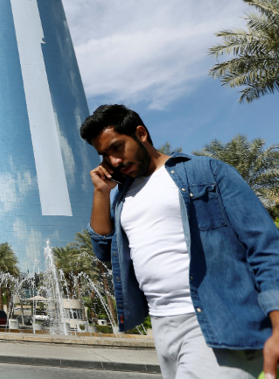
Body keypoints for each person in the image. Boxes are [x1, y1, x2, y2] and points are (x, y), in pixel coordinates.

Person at [79, 104, 279, 379]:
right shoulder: (123, 198)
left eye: (116, 147)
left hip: (216, 319)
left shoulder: (205, 172)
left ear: (141, 133)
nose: (113, 161)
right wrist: (101, 193)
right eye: (104, 155)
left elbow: (265, 245)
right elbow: (103, 251)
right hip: (163, 326)